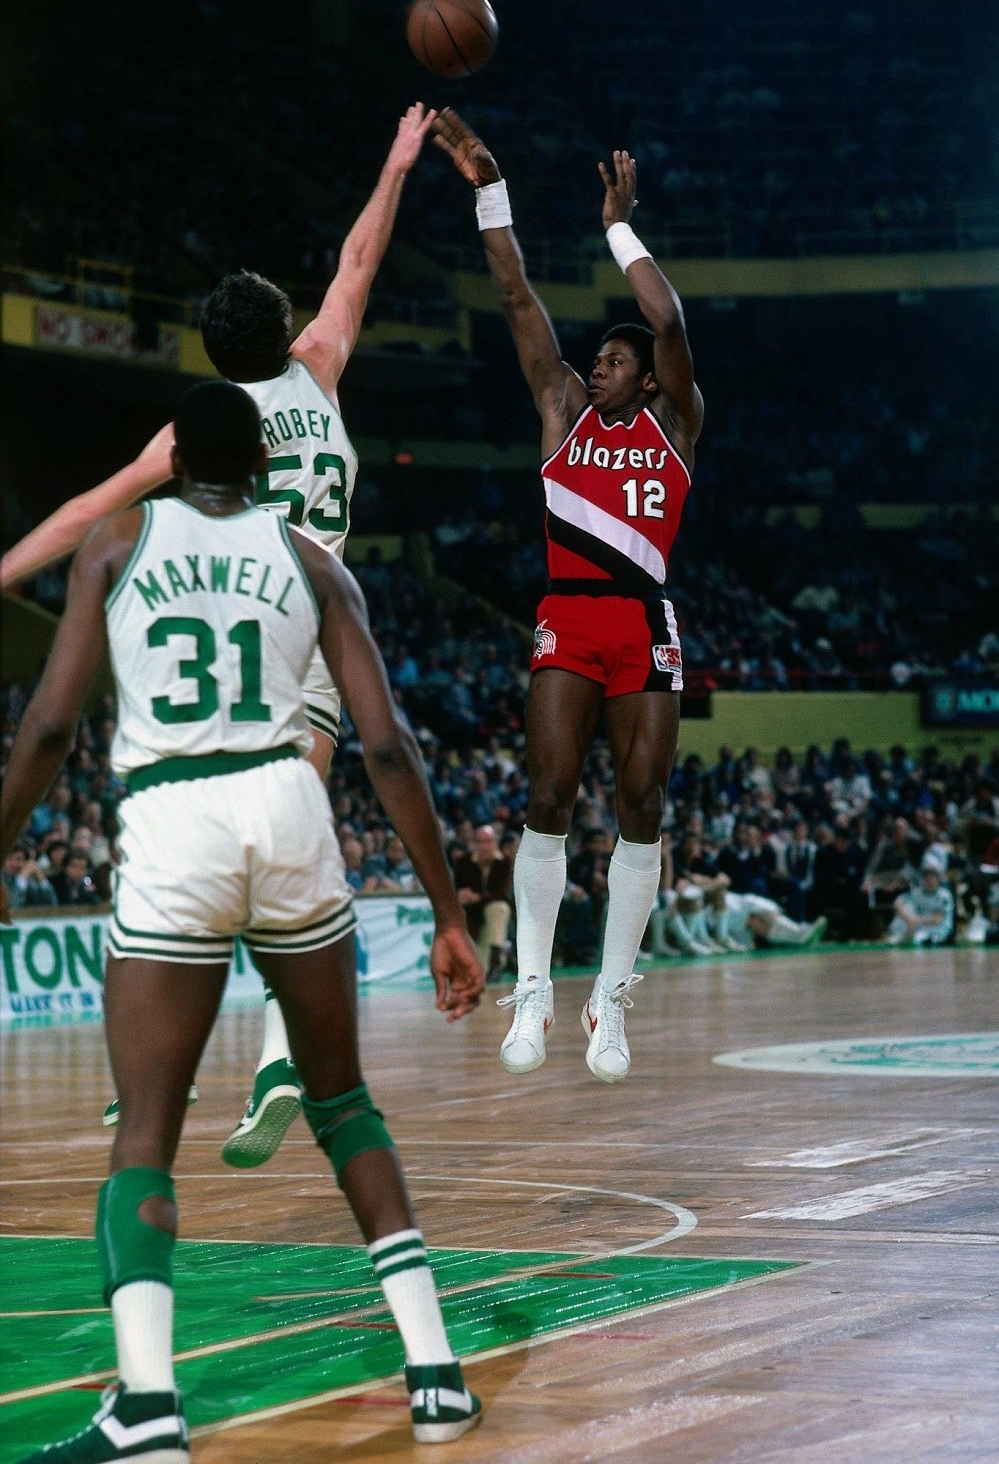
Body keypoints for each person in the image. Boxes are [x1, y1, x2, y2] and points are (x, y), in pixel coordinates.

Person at [0, 382, 484, 1460]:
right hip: (286, 801)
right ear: (264, 465)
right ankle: (436, 1375)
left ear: (174, 459)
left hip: (177, 815)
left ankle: (148, 1405)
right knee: (343, 1102)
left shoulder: (116, 543)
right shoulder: (315, 562)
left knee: (145, 1127)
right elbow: (389, 744)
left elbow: (50, 726)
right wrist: (448, 912)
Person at [1, 104, 438, 1168]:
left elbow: (86, 511)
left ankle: (154, 1069)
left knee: (179, 837)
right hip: (312, 626)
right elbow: (358, 259)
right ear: (284, 331)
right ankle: (281, 1060)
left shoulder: (199, 434)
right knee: (291, 863)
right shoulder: (320, 364)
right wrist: (394, 163)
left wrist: (3, 569)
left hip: (219, 619)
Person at [434, 110, 703, 1083]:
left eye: (616, 362)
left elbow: (669, 322)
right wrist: (490, 188)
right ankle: (537, 984)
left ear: (650, 381)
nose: (599, 366)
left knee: (643, 801)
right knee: (546, 794)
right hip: (569, 613)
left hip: (644, 618)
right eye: (597, 360)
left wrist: (617, 228)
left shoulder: (675, 424)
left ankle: (611, 996)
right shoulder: (562, 410)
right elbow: (514, 295)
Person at [452, 823, 513, 981]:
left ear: (496, 842)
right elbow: (457, 890)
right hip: (472, 917)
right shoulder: (463, 862)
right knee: (478, 970)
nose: (485, 846)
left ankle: (496, 962)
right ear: (473, 843)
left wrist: (478, 897)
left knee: (499, 907)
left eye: (489, 841)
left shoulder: (504, 861)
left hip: (494, 915)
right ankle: (503, 955)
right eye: (480, 842)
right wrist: (461, 896)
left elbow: (502, 894)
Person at [886, 853, 955, 945]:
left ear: (938, 877)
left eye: (932, 876)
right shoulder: (918, 893)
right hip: (920, 927)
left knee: (921, 938)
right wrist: (908, 918)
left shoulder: (944, 895)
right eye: (926, 876)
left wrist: (915, 920)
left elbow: (938, 919)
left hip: (939, 930)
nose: (929, 879)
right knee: (908, 907)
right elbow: (898, 903)